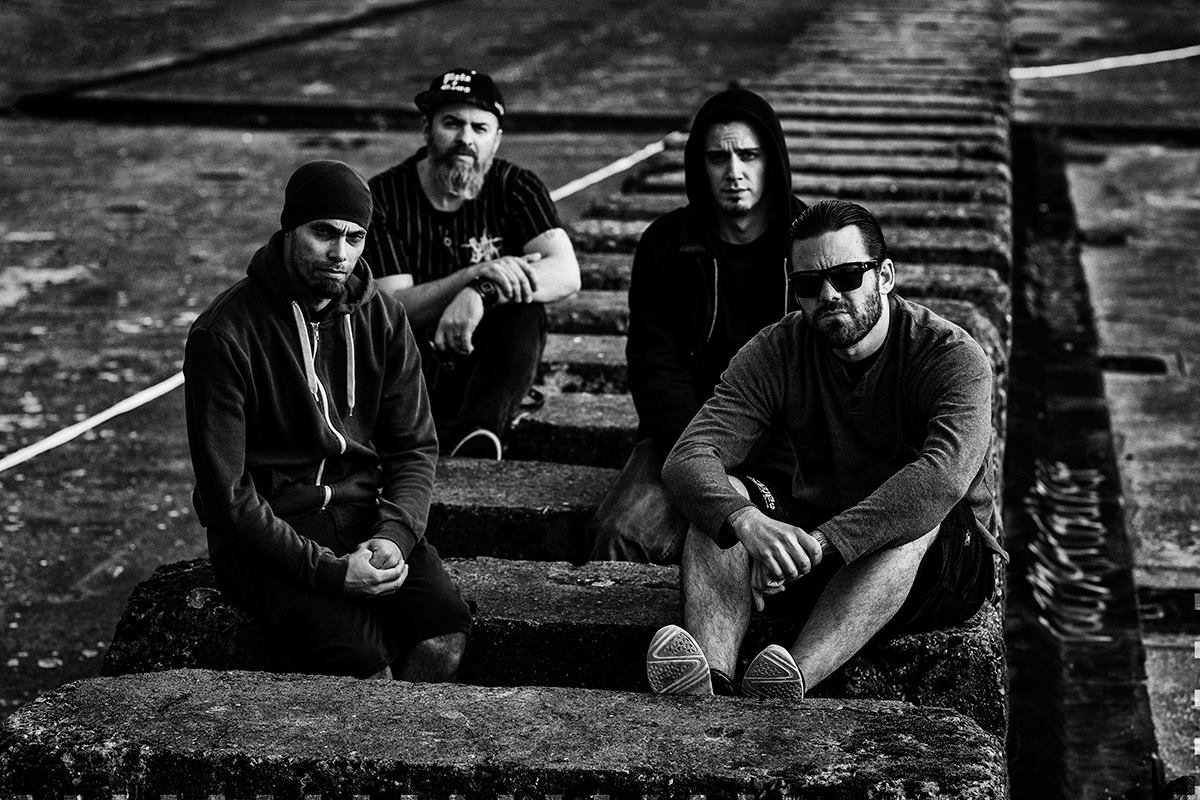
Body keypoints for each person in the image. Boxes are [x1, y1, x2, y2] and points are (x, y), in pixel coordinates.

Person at [645, 199, 1007, 698]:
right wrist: (750, 524)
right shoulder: (777, 349)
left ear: (884, 276)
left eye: (847, 276)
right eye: (810, 284)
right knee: (724, 499)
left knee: (915, 521)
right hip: (823, 538)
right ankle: (711, 678)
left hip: (940, 563)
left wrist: (814, 545)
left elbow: (939, 480)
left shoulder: (950, 356)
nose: (829, 295)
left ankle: (789, 678)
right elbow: (688, 457)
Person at [184, 160, 471, 680]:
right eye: (323, 232)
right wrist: (333, 574)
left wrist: (394, 537)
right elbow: (228, 497)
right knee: (366, 665)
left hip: (359, 513)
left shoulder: (383, 316)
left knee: (443, 634)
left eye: (354, 237)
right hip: (266, 534)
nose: (341, 253)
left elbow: (414, 447)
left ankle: (407, 734)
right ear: (290, 229)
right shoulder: (223, 335)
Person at [586, 87, 805, 564]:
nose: (734, 172)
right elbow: (654, 367)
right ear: (698, 165)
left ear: (773, 159)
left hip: (790, 442)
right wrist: (702, 459)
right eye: (718, 157)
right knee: (620, 535)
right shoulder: (665, 245)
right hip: (688, 436)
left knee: (777, 554)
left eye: (749, 155)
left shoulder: (808, 241)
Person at [363, 68, 581, 460]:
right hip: (411, 368)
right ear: (427, 129)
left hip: (490, 364)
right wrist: (474, 273)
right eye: (452, 123)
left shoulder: (516, 187)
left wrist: (480, 292)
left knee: (524, 307)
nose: (466, 139)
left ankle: (479, 437)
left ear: (496, 140)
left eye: (480, 128)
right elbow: (392, 307)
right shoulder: (383, 196)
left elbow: (566, 273)